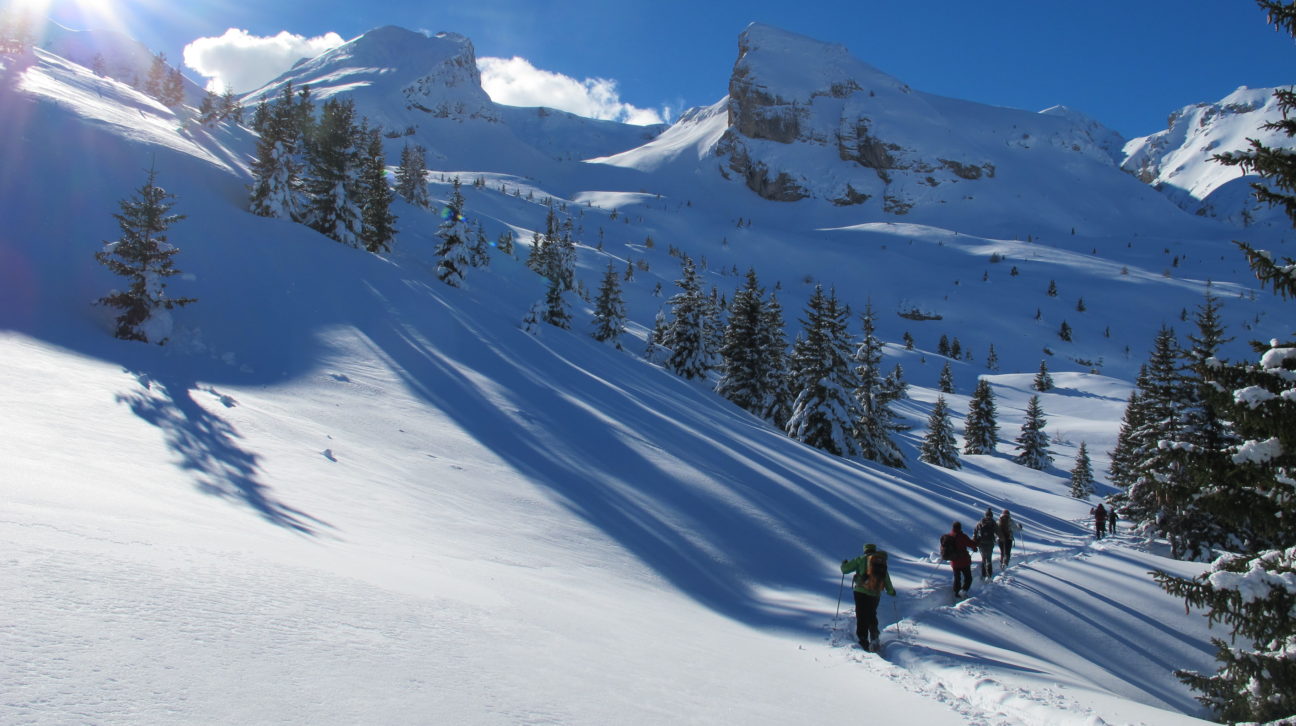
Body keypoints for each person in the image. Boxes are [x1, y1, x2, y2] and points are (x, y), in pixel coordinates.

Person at [840, 543, 896, 651]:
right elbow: (886, 579)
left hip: (860, 591)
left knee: (861, 615)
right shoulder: (880, 563)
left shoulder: (860, 559)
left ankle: (863, 640)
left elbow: (845, 570)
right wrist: (891, 591)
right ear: (874, 550)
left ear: (865, 550)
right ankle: (874, 637)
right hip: (874, 593)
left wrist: (844, 564)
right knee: (871, 614)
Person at [940, 522, 977, 598]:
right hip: (964, 561)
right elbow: (971, 544)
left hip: (954, 562)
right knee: (968, 578)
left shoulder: (948, 536)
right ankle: (963, 591)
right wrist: (976, 542)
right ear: (960, 528)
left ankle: (956, 593)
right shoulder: (962, 536)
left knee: (957, 578)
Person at [972, 508, 999, 579]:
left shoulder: (980, 522)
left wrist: (974, 542)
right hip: (990, 543)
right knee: (989, 558)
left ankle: (983, 575)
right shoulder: (993, 522)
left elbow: (975, 532)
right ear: (992, 515)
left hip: (981, 543)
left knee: (983, 559)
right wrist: (1000, 539)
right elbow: (998, 532)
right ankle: (989, 575)